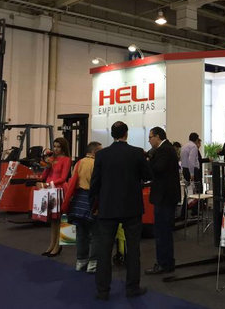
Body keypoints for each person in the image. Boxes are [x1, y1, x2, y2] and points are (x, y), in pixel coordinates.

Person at [90, 121, 151, 300]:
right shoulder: (136, 153)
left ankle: (103, 290)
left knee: (104, 250)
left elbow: (95, 183)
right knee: (133, 249)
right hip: (131, 207)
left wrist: (94, 205)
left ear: (112, 135)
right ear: (126, 134)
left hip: (107, 207)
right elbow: (148, 175)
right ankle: (132, 288)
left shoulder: (101, 155)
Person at [145, 127, 181, 275]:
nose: (149, 140)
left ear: (158, 136)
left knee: (162, 231)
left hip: (164, 197)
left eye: (150, 137)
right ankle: (166, 262)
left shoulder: (164, 150)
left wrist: (148, 160)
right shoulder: (166, 149)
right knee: (163, 231)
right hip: (165, 196)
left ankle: (164, 263)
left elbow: (158, 169)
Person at [68, 141, 102, 273]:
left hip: (78, 200)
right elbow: (98, 184)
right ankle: (93, 263)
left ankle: (80, 261)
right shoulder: (96, 164)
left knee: (81, 233)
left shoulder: (79, 163)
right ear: (95, 152)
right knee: (96, 234)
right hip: (91, 200)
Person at [38, 137, 72, 257]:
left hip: (59, 190)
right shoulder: (52, 159)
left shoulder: (66, 160)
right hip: (50, 190)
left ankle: (58, 245)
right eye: (55, 146)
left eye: (58, 146)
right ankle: (52, 244)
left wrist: (48, 184)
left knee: (60, 219)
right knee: (53, 220)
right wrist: (47, 166)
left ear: (63, 148)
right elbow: (44, 176)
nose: (56, 149)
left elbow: (63, 178)